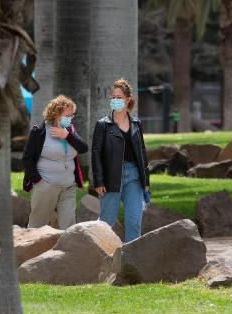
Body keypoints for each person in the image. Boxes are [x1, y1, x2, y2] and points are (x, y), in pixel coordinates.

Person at [91, 78, 150, 243]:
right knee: (106, 222)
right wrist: (98, 181)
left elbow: (142, 153)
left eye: (119, 97)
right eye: (113, 97)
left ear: (128, 100)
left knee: (134, 220)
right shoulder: (103, 125)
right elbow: (96, 154)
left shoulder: (137, 124)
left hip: (134, 176)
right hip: (111, 176)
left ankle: (131, 262)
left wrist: (146, 180)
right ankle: (96, 253)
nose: (115, 100)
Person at [22, 95, 88, 229]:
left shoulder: (70, 131)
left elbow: (83, 148)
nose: (70, 118)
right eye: (67, 114)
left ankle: (67, 249)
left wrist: (67, 136)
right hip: (46, 185)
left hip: (68, 185)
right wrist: (38, 180)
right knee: (37, 226)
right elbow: (27, 158)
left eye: (71, 115)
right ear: (56, 114)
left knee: (69, 227)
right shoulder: (39, 131)